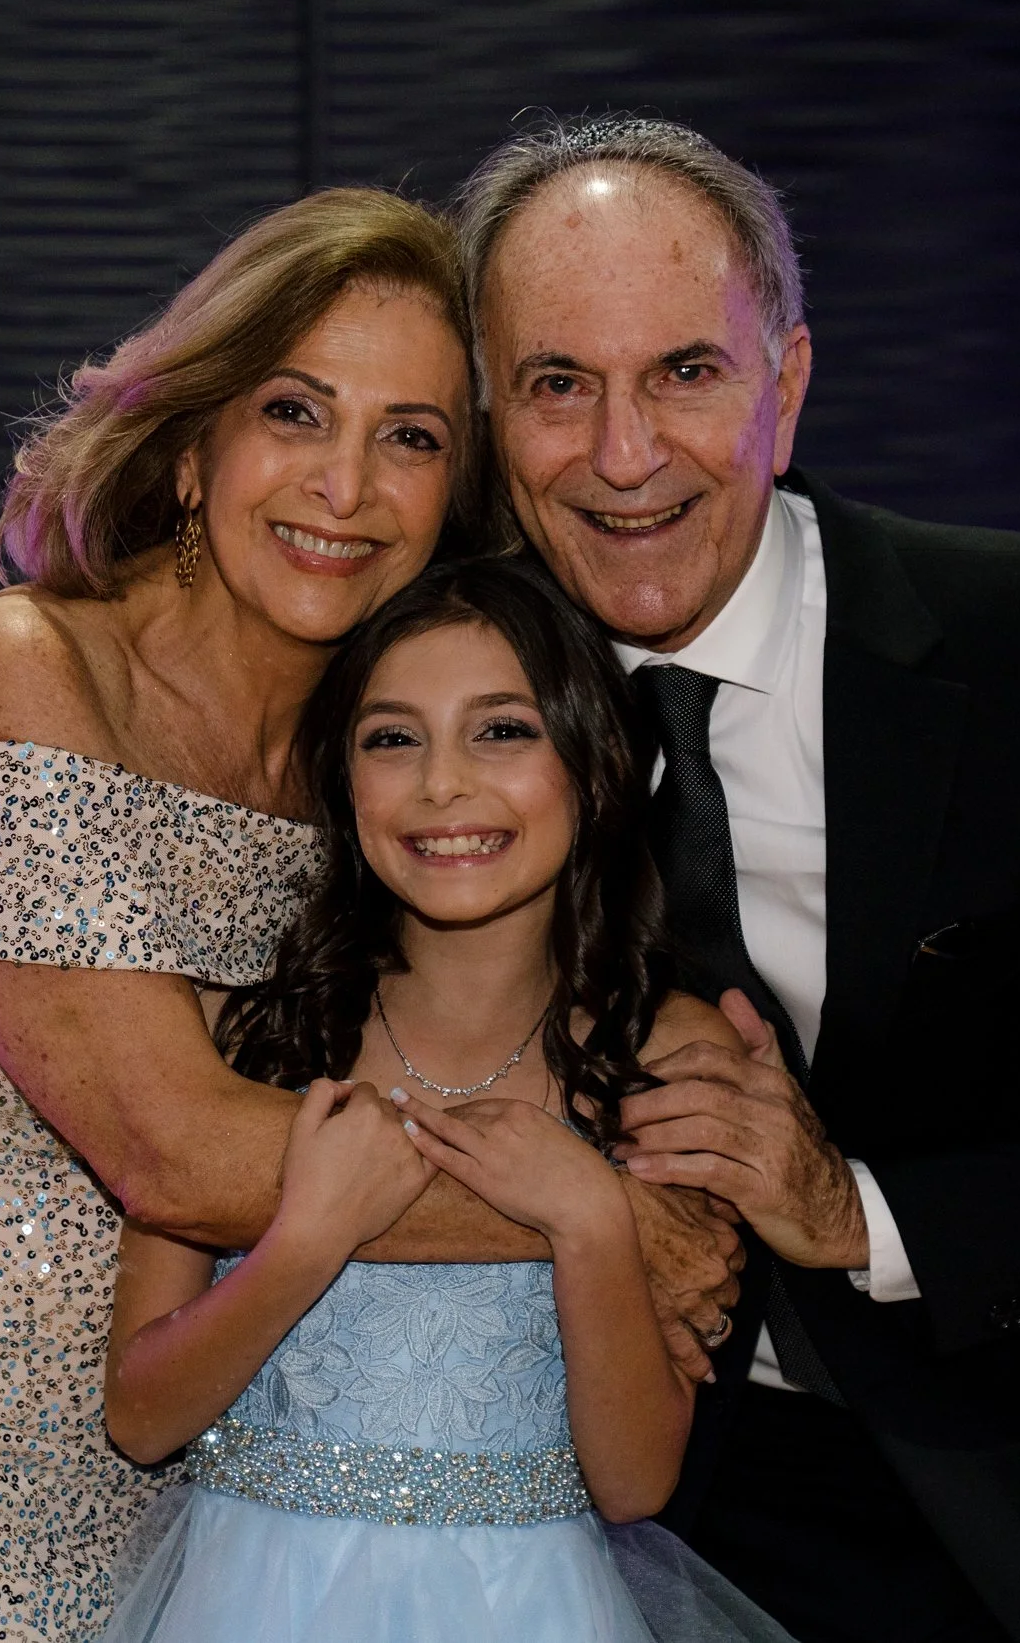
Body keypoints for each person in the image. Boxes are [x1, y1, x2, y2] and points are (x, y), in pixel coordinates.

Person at [0, 187, 741, 1643]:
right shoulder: (33, 666)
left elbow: (520, 972)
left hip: (237, 1431)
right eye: (295, 413)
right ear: (194, 449)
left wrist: (693, 1080)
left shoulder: (372, 751)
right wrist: (610, 1216)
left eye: (411, 437)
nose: (346, 484)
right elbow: (180, 1155)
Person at [449, 116, 1020, 1643]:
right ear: (495, 415)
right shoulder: (446, 709)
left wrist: (865, 1213)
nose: (624, 454)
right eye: (561, 384)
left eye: (685, 371)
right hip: (662, 1515)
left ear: (786, 385)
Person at [96, 558, 791, 1643]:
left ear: (591, 761)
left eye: (502, 730)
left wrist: (589, 1217)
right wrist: (308, 1237)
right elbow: (141, 1417)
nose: (441, 784)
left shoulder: (662, 1053)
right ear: (344, 779)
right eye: (392, 738)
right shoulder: (256, 1029)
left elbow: (634, 1481)